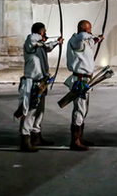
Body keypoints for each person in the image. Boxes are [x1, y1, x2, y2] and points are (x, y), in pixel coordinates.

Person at [16, 22, 62, 152]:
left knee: (39, 111)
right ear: (40, 32)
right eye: (44, 31)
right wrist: (43, 39)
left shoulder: (40, 45)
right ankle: (25, 140)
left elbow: (47, 47)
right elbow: (35, 40)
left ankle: (36, 136)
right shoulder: (31, 40)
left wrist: (56, 42)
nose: (45, 34)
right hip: (31, 82)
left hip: (41, 82)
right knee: (30, 111)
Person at [62, 20, 104, 151]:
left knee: (84, 110)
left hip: (85, 81)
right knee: (79, 109)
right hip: (79, 80)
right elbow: (83, 36)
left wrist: (98, 39)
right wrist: (94, 36)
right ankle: (75, 141)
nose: (91, 31)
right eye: (89, 29)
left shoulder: (82, 42)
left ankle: (80, 137)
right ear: (84, 30)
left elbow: (89, 41)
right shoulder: (76, 40)